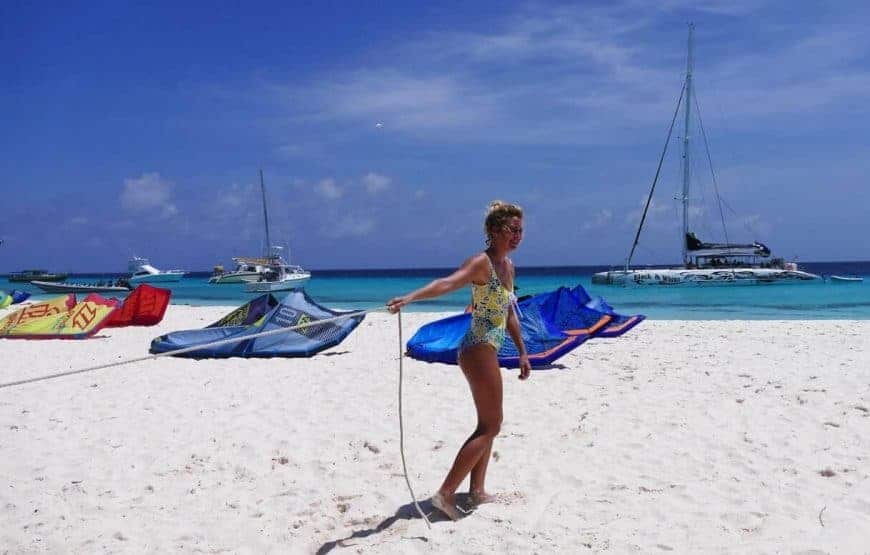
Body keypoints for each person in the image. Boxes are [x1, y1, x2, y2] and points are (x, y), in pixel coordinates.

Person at [387, 200, 532, 520]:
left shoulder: (508, 267)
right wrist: (410, 298)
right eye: (512, 229)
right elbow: (448, 283)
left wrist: (522, 351)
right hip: (476, 348)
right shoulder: (481, 263)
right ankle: (446, 493)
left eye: (521, 230)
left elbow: (509, 312)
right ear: (494, 231)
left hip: (489, 347)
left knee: (488, 424)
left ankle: (477, 490)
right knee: (491, 424)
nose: (518, 235)